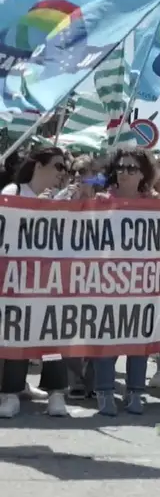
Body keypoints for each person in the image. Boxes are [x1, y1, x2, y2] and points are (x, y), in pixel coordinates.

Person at [0, 146, 72, 419]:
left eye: (65, 167)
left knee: (52, 337)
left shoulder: (61, 197)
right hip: (18, 280)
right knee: (19, 336)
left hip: (51, 280)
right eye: (57, 166)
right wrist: (36, 209)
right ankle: (11, 392)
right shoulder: (13, 193)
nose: (62, 173)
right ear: (38, 165)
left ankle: (56, 392)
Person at [90, 148, 157, 415]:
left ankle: (135, 392)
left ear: (143, 174)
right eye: (120, 167)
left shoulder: (153, 203)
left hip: (141, 281)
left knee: (138, 339)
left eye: (131, 168)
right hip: (106, 280)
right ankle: (105, 391)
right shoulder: (102, 199)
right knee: (107, 336)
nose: (124, 172)